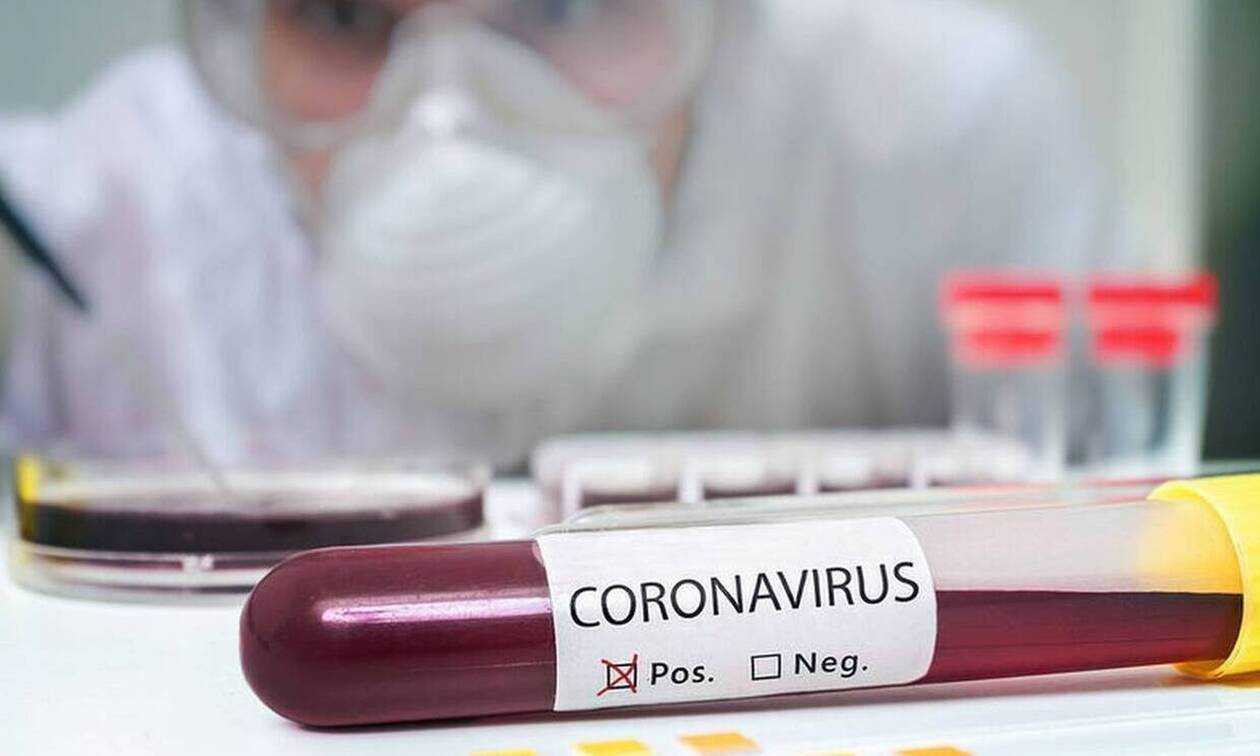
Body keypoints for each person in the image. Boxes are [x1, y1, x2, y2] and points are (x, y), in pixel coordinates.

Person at [0, 0, 1101, 468]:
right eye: (342, 14)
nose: (448, 116)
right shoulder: (83, 234)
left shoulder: (938, 144)